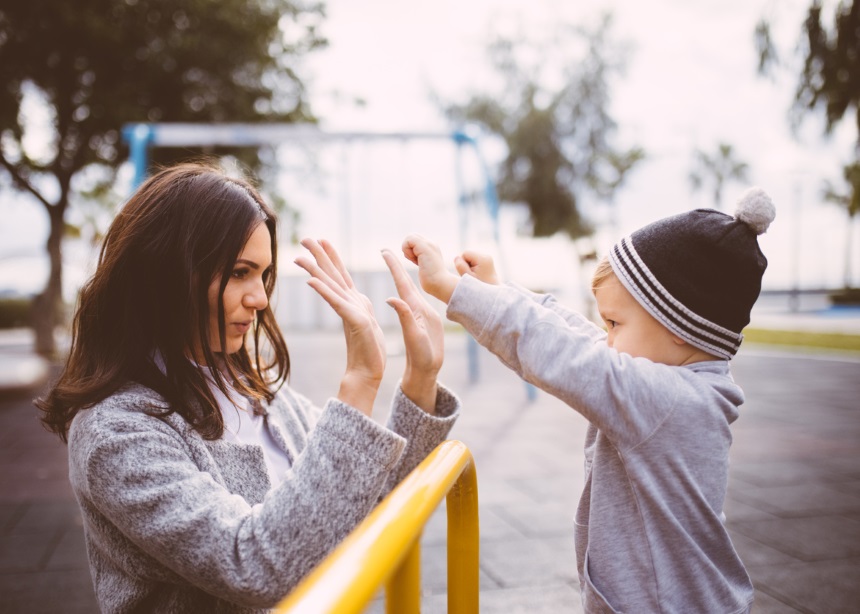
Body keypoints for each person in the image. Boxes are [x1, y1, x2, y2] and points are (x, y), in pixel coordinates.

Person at [35, 161, 460, 613]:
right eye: (239, 272)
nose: (259, 298)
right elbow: (254, 566)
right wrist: (359, 382)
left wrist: (420, 380)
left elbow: (363, 501)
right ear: (166, 273)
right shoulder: (114, 432)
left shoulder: (261, 396)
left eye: (263, 275)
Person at [401, 187, 776, 613]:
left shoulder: (666, 399)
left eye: (615, 322)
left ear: (679, 326)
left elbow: (564, 352)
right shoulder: (680, 382)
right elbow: (580, 337)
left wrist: (454, 291)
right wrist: (497, 289)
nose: (608, 337)